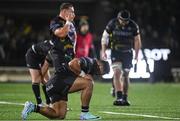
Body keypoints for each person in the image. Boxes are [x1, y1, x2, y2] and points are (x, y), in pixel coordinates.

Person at [21, 57, 110, 120]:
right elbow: (73, 63)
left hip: (53, 85)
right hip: (59, 81)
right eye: (102, 73)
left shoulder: (91, 67)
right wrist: (83, 75)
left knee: (59, 115)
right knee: (89, 84)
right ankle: (85, 113)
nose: (100, 74)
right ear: (101, 66)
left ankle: (33, 107)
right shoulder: (90, 62)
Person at [101, 10, 141, 106]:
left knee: (126, 75)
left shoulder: (133, 25)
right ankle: (119, 98)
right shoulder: (112, 24)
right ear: (118, 18)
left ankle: (125, 98)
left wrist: (136, 54)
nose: (124, 23)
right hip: (116, 51)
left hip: (127, 52)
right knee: (116, 73)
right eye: (122, 20)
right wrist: (104, 51)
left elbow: (137, 40)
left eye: (126, 21)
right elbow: (104, 38)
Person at [25, 40, 54, 105]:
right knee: (36, 79)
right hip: (32, 56)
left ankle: (49, 102)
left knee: (48, 81)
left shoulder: (56, 47)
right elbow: (49, 62)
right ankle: (39, 103)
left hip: (43, 57)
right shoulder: (50, 49)